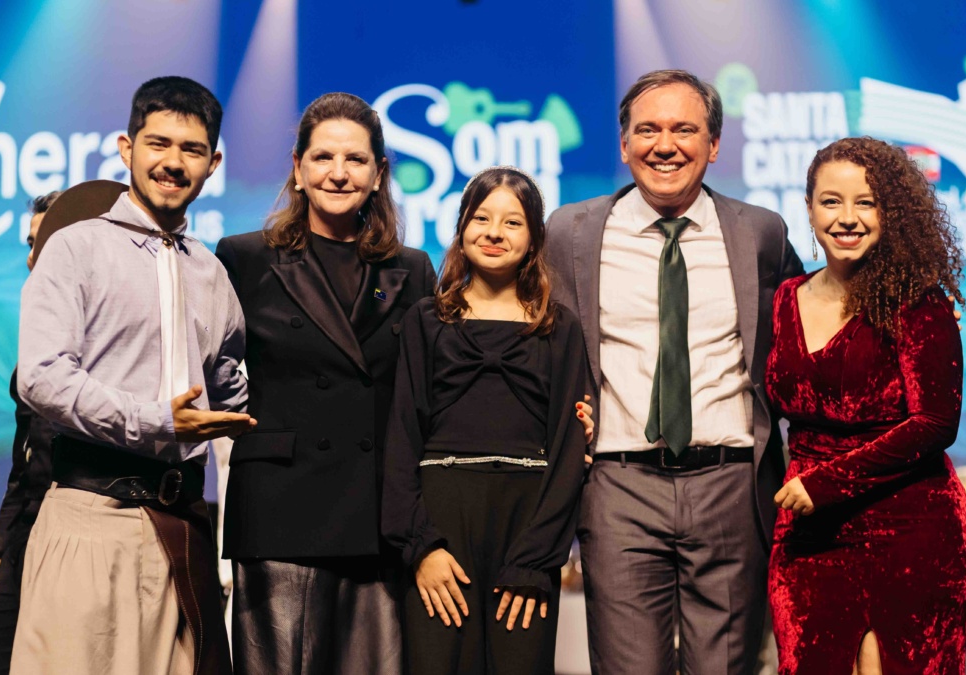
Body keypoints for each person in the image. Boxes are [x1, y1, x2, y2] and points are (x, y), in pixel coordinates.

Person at [545, 69, 805, 674]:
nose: (665, 145)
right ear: (624, 143)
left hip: (732, 484)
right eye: (648, 130)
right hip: (617, 486)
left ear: (713, 145)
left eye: (684, 129)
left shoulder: (760, 232)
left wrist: (906, 300)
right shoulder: (571, 232)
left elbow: (818, 314)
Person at [13, 76, 251, 675]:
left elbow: (231, 391)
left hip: (185, 532)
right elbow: (41, 377)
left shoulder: (213, 275)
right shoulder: (75, 249)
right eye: (158, 144)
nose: (173, 163)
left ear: (213, 162)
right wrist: (156, 421)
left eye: (191, 150)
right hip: (91, 514)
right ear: (126, 147)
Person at [215, 92, 436, 675]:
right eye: (323, 158)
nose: (339, 173)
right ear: (297, 166)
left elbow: (430, 391)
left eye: (356, 160)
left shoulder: (411, 269)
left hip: (376, 515)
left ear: (379, 172)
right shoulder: (245, 258)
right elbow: (206, 371)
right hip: (282, 509)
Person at [766, 137, 966, 674]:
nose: (848, 218)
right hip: (809, 538)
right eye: (831, 201)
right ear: (810, 207)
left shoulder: (919, 299)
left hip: (912, 529)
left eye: (867, 202)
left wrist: (826, 483)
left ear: (893, 212)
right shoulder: (785, 296)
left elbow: (935, 422)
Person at [383, 166, 588, 675]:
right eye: (481, 217)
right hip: (442, 522)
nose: (494, 232)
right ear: (460, 228)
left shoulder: (560, 330)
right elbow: (402, 439)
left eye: (512, 222)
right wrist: (421, 545)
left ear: (536, 238)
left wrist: (536, 559)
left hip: (527, 522)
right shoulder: (425, 321)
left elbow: (567, 451)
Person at [0, 191, 59, 675]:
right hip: (26, 539)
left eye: (44, 244)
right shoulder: (33, 357)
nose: (32, 259)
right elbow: (22, 472)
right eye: (30, 244)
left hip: (80, 545)